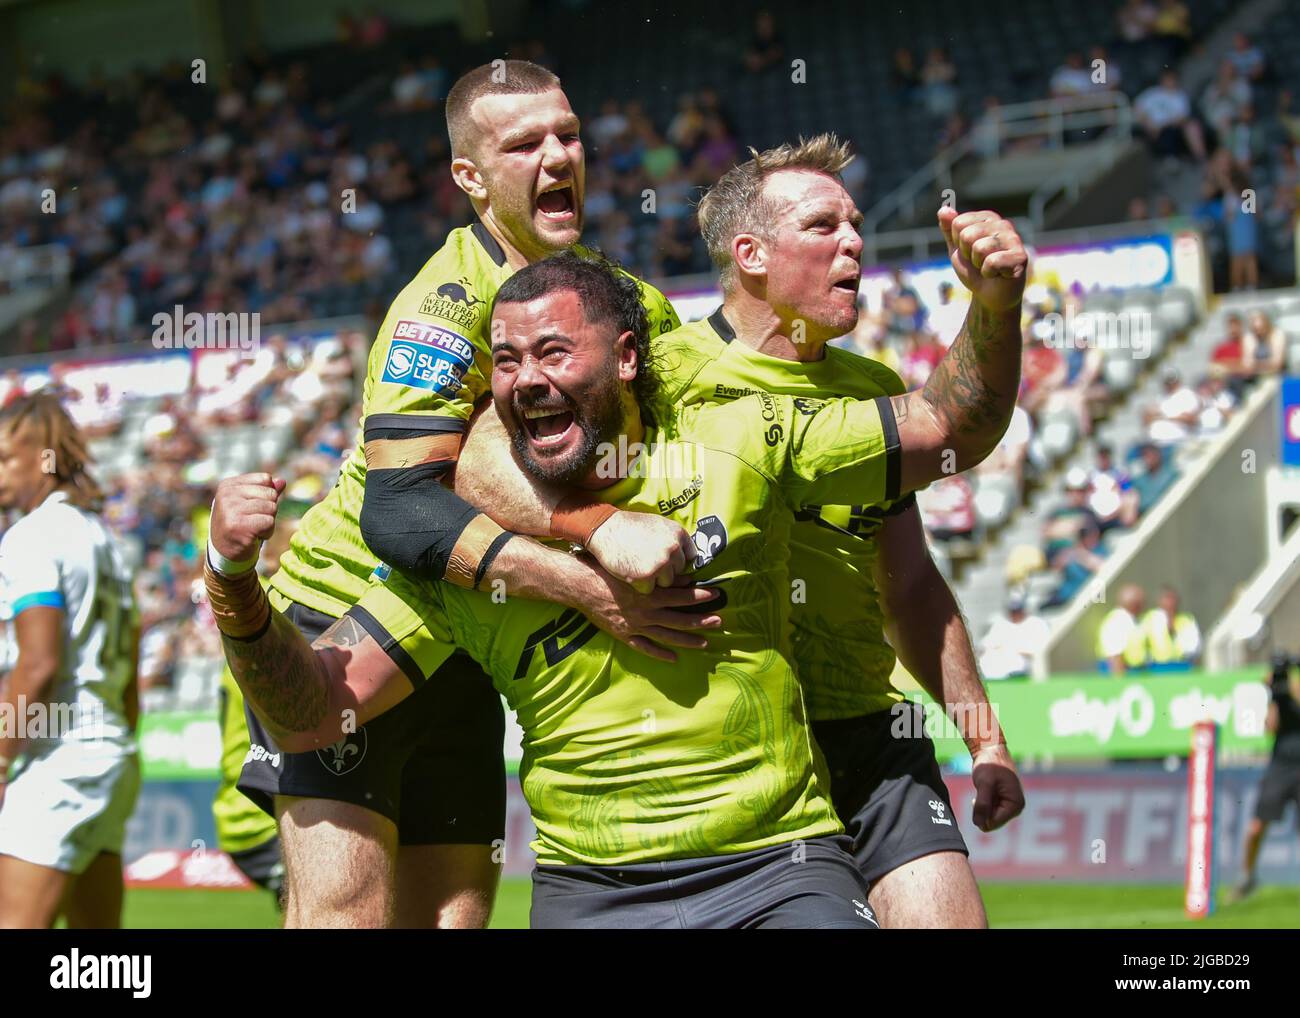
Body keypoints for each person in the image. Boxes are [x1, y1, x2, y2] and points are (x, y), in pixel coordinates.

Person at [208, 218, 1029, 927]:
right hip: (591, 896)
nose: (529, 379)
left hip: (780, 868)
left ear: (632, 358)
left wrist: (993, 303)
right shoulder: (467, 561)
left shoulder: (739, 438)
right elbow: (313, 715)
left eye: (555, 352)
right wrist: (234, 587)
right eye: (506, 361)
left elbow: (945, 427)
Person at [232, 60, 688, 929]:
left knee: (451, 924)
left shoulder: (612, 295)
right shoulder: (440, 307)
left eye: (568, 134)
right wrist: (597, 556)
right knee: (346, 917)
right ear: (470, 177)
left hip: (461, 630)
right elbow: (400, 511)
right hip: (341, 625)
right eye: (524, 144)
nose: (557, 157)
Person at [0, 395, 140, 928]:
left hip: (61, 759)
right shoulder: (108, 541)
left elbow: (37, 665)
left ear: (42, 456)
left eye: (6, 458)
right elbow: (130, 687)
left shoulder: (31, 537)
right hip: (112, 755)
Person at [1229, 653, 1300, 903]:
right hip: (1281, 765)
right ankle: (1247, 878)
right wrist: (1272, 696)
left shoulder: (1294, 689)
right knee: (1257, 826)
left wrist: (1290, 689)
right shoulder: (1278, 696)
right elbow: (1269, 727)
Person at [1140, 587, 1200, 670]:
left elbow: (1195, 649)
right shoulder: (1150, 619)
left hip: (1182, 665)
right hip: (1156, 667)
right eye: (1167, 598)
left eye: (1173, 598)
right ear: (1159, 600)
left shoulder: (1187, 619)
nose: (1170, 602)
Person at [1096, 584, 1148, 675]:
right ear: (1135, 604)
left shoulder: (1129, 620)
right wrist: (1122, 684)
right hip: (1126, 679)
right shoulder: (1117, 621)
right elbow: (1115, 658)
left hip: (1136, 675)